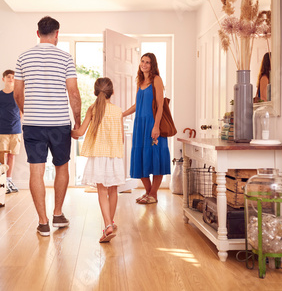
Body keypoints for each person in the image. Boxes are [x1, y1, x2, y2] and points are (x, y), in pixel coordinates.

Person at [14, 16, 82, 237]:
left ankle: (42, 222)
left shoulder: (23, 57)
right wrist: (78, 120)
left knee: (37, 169)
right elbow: (73, 93)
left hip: (33, 124)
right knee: (62, 167)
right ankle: (58, 214)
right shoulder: (65, 58)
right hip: (59, 123)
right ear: (56, 34)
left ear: (37, 34)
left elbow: (17, 93)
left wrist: (29, 111)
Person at [72, 77, 125, 243]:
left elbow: (80, 133)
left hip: (99, 156)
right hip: (114, 156)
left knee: (102, 192)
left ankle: (108, 225)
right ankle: (111, 222)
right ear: (112, 92)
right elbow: (122, 138)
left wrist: (70, 132)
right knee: (113, 191)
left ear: (95, 92)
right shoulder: (118, 111)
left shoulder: (92, 108)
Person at [123, 53, 171, 204]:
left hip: (152, 124)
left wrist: (156, 126)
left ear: (153, 65)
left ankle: (153, 194)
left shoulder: (156, 80)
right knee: (140, 157)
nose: (144, 64)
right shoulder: (140, 81)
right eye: (142, 61)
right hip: (140, 125)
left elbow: (160, 105)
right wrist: (122, 114)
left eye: (148, 62)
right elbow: (138, 105)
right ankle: (149, 193)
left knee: (156, 157)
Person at [0, 69, 22, 194]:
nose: (11, 78)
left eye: (13, 77)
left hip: (16, 130)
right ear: (3, 79)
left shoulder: (18, 94)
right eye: (8, 76)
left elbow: (20, 113)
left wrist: (15, 124)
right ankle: (2, 181)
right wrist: (3, 125)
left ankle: (8, 180)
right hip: (2, 131)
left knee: (12, 155)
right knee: (1, 156)